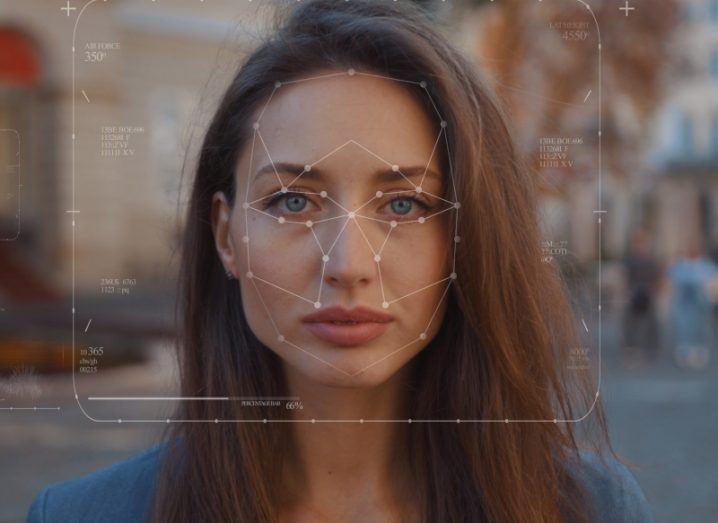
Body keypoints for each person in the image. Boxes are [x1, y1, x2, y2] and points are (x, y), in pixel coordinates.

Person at [27, 1, 654, 521]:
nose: (348, 264)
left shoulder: (594, 510)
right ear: (226, 235)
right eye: (293, 200)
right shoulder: (83, 515)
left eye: (405, 205)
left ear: (470, 237)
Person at [620, 228, 661, 368]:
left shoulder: (650, 259)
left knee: (649, 322)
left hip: (647, 293)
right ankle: (632, 349)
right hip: (634, 292)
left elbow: (657, 277)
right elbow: (624, 276)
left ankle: (648, 349)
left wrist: (655, 289)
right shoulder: (631, 259)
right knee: (632, 323)